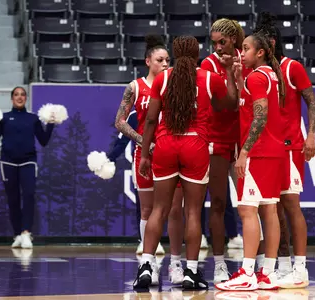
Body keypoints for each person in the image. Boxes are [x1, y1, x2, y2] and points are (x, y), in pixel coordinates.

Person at [131, 35, 238, 290]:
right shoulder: (208, 78)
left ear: (176, 54)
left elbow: (150, 121)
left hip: (166, 144)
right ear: (197, 53)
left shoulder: (162, 78)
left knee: (159, 209)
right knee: (192, 211)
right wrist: (230, 74)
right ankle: (191, 271)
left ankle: (146, 265)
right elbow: (230, 104)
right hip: (194, 146)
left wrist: (145, 154)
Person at [252, 12, 315, 288]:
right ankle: (280, 265)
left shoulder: (292, 67)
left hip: (291, 147)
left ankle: (300, 267)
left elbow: (311, 102)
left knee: (291, 207)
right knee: (270, 209)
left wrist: (312, 135)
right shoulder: (258, 72)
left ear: (271, 42)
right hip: (268, 149)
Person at [216, 31, 286, 291]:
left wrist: (244, 151)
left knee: (247, 210)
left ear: (260, 52)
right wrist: (236, 78)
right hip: (273, 151)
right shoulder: (270, 75)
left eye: (245, 48)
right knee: (268, 210)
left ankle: (246, 272)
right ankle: (267, 273)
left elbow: (260, 118)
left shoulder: (257, 78)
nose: (240, 53)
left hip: (259, 153)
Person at [113, 35, 185, 285]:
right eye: (160, 60)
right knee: (147, 209)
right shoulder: (135, 87)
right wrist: (142, 140)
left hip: (171, 153)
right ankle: (149, 264)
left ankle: (176, 265)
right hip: (144, 155)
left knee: (175, 210)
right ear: (148, 61)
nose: (165, 63)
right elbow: (119, 121)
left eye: (167, 60)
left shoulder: (175, 86)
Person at [200, 17, 249, 281]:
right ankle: (219, 265)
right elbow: (224, 105)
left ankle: (259, 265)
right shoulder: (208, 64)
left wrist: (240, 76)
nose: (218, 47)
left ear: (234, 39)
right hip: (218, 141)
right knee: (218, 202)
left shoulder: (247, 57)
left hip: (244, 143)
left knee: (252, 205)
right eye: (214, 42)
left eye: (223, 41)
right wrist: (231, 75)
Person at [0, 87, 54, 249]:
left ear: (26, 98)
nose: (20, 97)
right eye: (16, 95)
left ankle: (26, 233)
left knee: (29, 195)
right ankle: (17, 234)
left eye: (23, 95)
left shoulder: (33, 118)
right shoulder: (4, 118)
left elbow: (43, 140)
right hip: (8, 162)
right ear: (11, 99)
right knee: (13, 199)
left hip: (28, 162)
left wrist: (50, 124)